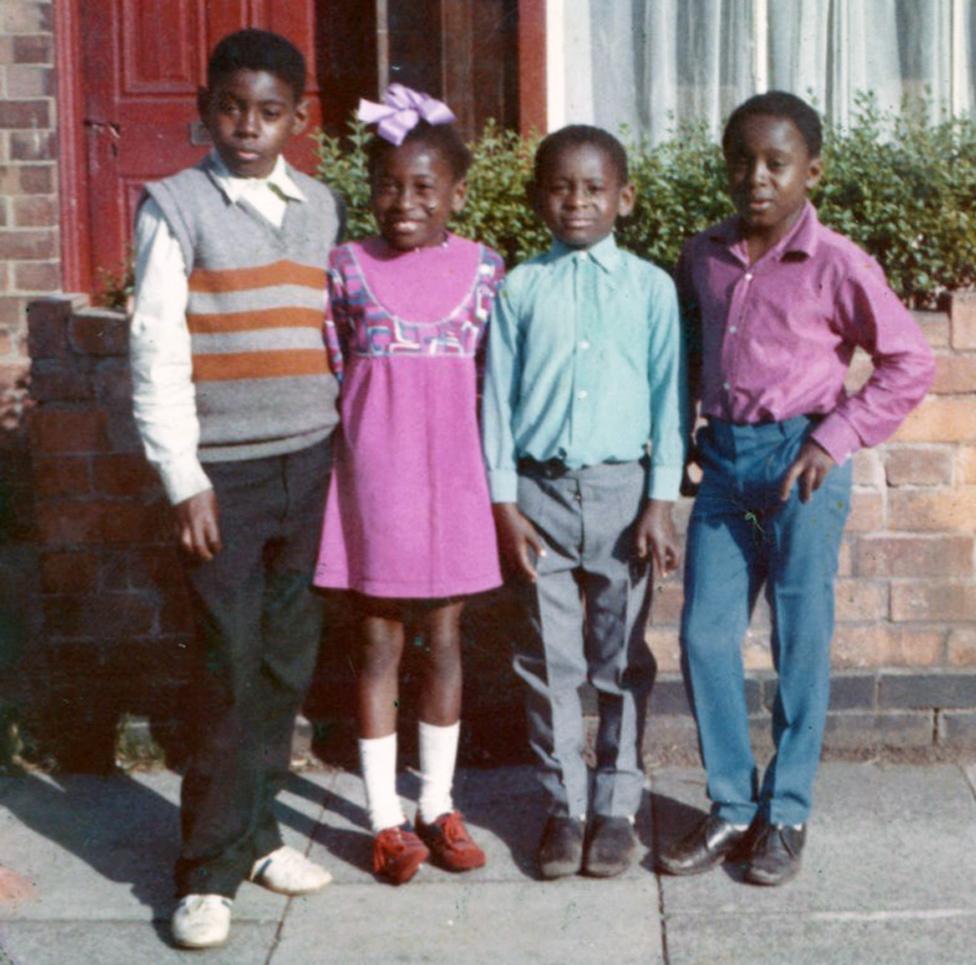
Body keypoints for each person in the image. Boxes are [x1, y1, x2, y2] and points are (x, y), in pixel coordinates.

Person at [658, 91, 935, 886]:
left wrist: (834, 436)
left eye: (777, 163)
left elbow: (910, 362)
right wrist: (682, 441)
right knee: (706, 637)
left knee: (798, 638)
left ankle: (786, 810)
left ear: (811, 171)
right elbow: (687, 353)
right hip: (724, 465)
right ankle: (730, 805)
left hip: (800, 461)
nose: (757, 177)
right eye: (742, 161)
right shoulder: (701, 252)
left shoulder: (839, 262)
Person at [129, 29, 344, 948]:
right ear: (205, 106)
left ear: (299, 118)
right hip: (224, 476)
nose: (248, 129)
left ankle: (257, 835)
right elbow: (155, 351)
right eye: (230, 108)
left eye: (268, 113)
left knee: (283, 664)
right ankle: (206, 870)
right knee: (226, 664)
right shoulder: (176, 208)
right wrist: (184, 479)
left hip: (312, 461)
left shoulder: (322, 206)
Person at [482, 125, 686, 880]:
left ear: (623, 198)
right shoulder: (521, 287)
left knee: (622, 656)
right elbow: (495, 402)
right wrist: (505, 502)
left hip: (622, 493)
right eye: (562, 187)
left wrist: (659, 500)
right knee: (548, 658)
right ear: (540, 198)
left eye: (595, 188)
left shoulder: (649, 288)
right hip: (537, 495)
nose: (578, 201)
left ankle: (617, 808)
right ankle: (563, 807)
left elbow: (671, 398)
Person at [314, 86, 504, 885]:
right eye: (390, 184)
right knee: (379, 640)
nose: (405, 202)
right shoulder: (347, 269)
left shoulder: (485, 270)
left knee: (447, 642)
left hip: (454, 485)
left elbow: (495, 380)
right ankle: (384, 820)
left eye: (425, 187)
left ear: (457, 194)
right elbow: (332, 371)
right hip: (378, 485)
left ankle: (437, 802)